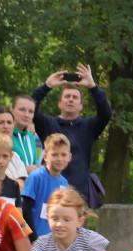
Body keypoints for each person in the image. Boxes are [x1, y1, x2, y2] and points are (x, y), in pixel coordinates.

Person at [31, 64, 112, 202]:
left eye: (75, 97)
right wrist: (46, 86)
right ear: (59, 103)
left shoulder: (89, 126)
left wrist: (93, 87)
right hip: (50, 194)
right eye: (67, 96)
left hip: (78, 197)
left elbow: (106, 113)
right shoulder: (48, 124)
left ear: (81, 105)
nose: (70, 99)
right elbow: (30, 107)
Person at [0, 134, 23, 205]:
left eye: (5, 156)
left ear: (11, 156)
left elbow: (18, 213)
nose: (1, 161)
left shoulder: (14, 185)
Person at [11, 94, 40, 171]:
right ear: (11, 110)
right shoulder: (5, 135)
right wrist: (24, 171)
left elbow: (34, 165)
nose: (26, 115)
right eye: (22, 110)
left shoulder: (30, 136)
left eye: (30, 111)